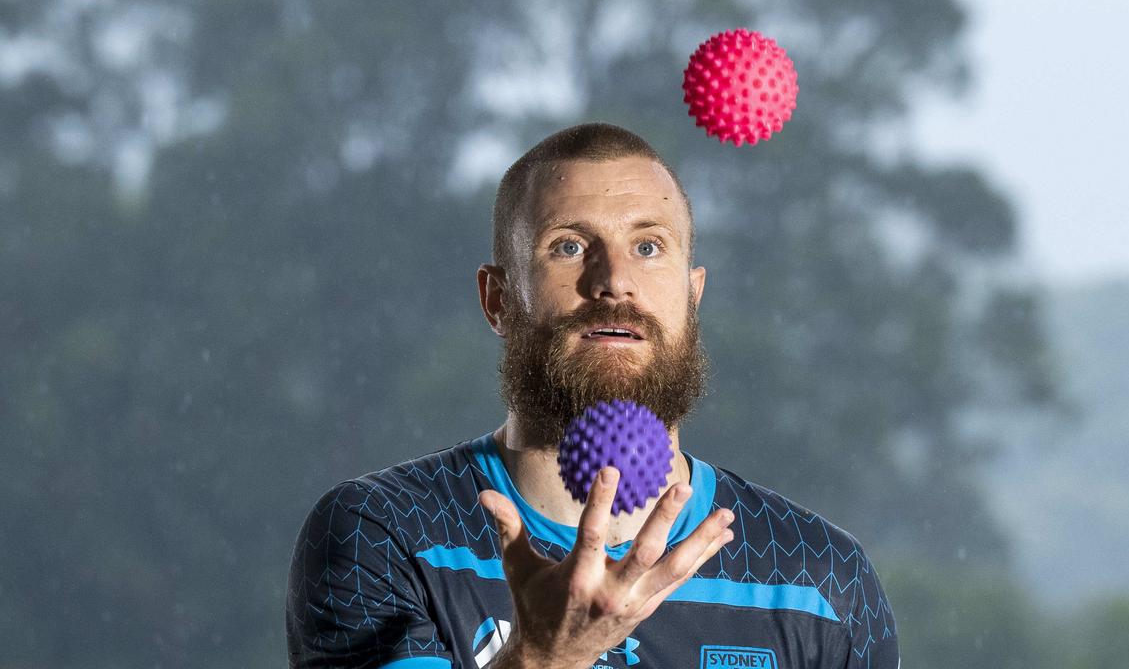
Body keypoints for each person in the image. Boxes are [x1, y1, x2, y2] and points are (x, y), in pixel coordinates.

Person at [286, 123, 899, 669]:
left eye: (649, 246)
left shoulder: (819, 579)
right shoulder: (381, 534)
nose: (613, 282)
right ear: (497, 299)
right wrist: (544, 659)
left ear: (693, 295)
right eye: (569, 246)